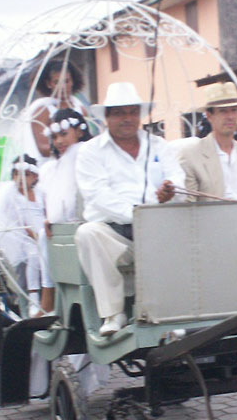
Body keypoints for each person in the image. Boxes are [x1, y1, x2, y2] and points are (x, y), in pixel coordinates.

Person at [75, 81, 184, 336]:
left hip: (159, 229)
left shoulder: (159, 146)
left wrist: (171, 189)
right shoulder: (90, 151)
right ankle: (114, 314)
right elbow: (98, 195)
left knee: (189, 230)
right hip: (115, 234)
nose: (127, 118)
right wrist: (139, 214)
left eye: (132, 112)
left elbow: (178, 177)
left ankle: (173, 313)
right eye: (120, 113)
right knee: (88, 233)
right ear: (107, 118)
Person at [0, 157, 53, 317]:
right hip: (23, 235)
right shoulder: (12, 196)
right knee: (33, 255)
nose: (21, 179)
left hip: (43, 231)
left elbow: (48, 212)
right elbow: (19, 220)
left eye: (26, 175)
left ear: (35, 177)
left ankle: (52, 295)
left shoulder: (40, 193)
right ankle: (33, 296)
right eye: (17, 175)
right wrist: (35, 236)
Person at [22, 59, 90, 162]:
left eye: (66, 81)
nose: (62, 86)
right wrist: (68, 148)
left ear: (72, 81)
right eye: (56, 82)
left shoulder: (80, 108)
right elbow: (43, 149)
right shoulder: (42, 111)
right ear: (49, 84)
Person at [38, 108, 93, 226]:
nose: (59, 141)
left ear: (79, 132)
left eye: (63, 134)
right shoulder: (50, 168)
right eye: (54, 137)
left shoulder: (85, 152)